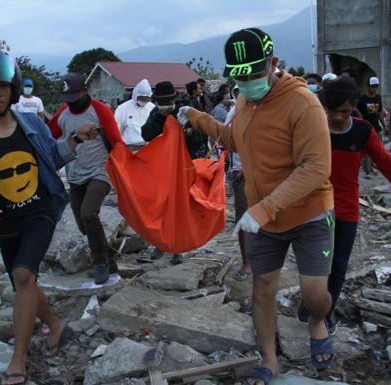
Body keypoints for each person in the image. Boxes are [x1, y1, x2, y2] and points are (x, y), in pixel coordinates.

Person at [178, 28, 335, 385]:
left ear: (273, 63)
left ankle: (316, 321)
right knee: (262, 288)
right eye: (240, 77)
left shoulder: (303, 104)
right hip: (264, 217)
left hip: (308, 212)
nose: (246, 82)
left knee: (314, 295)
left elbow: (316, 167)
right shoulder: (246, 103)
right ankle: (268, 358)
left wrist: (262, 209)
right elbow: (234, 138)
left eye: (253, 74)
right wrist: (196, 117)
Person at [0, 50, 99, 385]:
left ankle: (18, 359)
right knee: (22, 282)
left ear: (12, 89)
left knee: (24, 275)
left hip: (40, 211)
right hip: (4, 221)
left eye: (2, 86)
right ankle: (56, 327)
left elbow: (51, 157)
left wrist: (74, 140)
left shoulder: (33, 126)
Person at [297, 76, 391, 334]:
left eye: (344, 111)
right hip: (313, 210)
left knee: (337, 267)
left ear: (354, 106)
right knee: (315, 265)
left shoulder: (362, 131)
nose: (338, 117)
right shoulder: (313, 129)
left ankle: (325, 312)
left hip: (346, 211)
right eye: (333, 111)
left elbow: (385, 161)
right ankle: (309, 305)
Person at [48, 73, 124, 284]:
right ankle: (109, 255)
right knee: (83, 225)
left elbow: (117, 142)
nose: (71, 102)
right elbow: (49, 135)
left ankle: (100, 263)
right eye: (67, 99)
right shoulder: (63, 112)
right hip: (74, 174)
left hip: (99, 171)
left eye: (75, 96)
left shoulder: (100, 110)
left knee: (89, 214)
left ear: (84, 91)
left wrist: (126, 173)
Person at [141, 81, 208, 265]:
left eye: (168, 102)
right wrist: (160, 118)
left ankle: (178, 248)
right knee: (162, 205)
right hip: (162, 168)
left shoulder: (186, 111)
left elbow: (200, 140)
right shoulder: (156, 113)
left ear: (174, 99)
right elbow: (146, 135)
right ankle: (161, 243)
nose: (165, 105)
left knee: (181, 207)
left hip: (185, 167)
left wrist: (189, 134)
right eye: (161, 102)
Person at [225, 86, 251, 281]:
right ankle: (247, 262)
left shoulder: (274, 109)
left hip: (269, 172)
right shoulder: (235, 112)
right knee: (243, 218)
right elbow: (226, 139)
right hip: (241, 173)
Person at [357, 76, 387, 175]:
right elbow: (357, 112)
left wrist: (384, 126)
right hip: (366, 128)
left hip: (376, 127)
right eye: (372, 86)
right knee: (367, 150)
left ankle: (376, 166)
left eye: (376, 86)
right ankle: (368, 170)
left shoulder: (378, 97)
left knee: (378, 149)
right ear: (368, 87)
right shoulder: (362, 99)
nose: (374, 89)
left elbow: (380, 113)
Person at [113, 79, 154, 150]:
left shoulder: (152, 107)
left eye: (146, 98)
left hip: (149, 147)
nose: (144, 100)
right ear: (136, 95)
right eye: (142, 98)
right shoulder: (123, 109)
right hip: (130, 148)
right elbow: (116, 130)